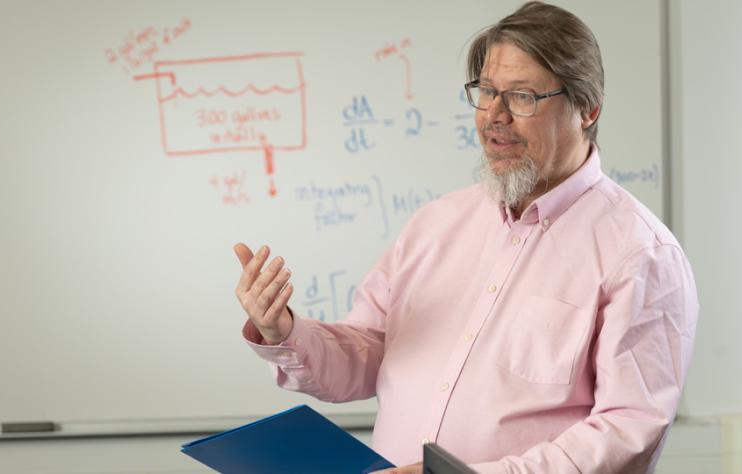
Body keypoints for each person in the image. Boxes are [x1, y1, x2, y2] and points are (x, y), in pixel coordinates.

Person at [233, 2, 699, 472]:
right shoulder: (434, 225)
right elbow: (367, 354)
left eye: (522, 97)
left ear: (587, 108)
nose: (494, 116)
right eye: (487, 91)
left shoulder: (639, 254)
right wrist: (285, 332)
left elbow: (628, 432)